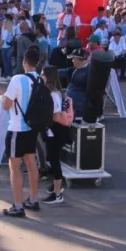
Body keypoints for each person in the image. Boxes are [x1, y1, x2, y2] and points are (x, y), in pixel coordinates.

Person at [0, 46, 43, 218]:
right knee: (31, 164)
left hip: (17, 129)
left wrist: (3, 95)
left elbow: (6, 105)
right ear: (37, 62)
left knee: (15, 168)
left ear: (24, 61)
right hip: (32, 128)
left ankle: (17, 205)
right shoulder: (40, 80)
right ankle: (33, 199)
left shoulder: (17, 79)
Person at [41, 65, 72, 205]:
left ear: (49, 77)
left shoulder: (53, 95)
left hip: (56, 131)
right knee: (52, 159)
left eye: (43, 75)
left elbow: (56, 116)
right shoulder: (53, 93)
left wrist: (44, 117)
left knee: (54, 160)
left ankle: (57, 194)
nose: (41, 77)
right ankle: (56, 185)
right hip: (54, 131)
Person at [58, 48, 90, 118]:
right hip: (69, 104)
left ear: (80, 60)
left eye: (74, 58)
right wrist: (50, 71)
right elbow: (63, 72)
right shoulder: (75, 69)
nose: (72, 61)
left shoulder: (88, 73)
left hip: (77, 107)